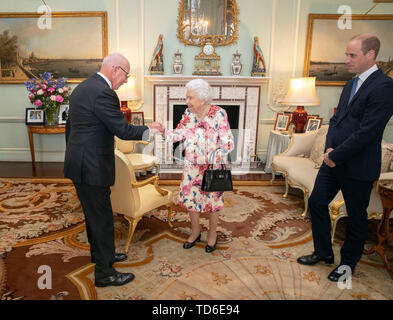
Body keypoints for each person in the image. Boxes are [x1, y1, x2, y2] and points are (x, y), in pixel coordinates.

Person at [297, 33, 393, 282]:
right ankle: (323, 252)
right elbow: (337, 120)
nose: (347, 60)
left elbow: (368, 131)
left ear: (370, 55)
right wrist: (329, 150)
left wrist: (336, 155)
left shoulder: (385, 87)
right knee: (317, 202)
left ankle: (348, 264)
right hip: (334, 161)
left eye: (352, 55)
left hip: (358, 166)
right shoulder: (351, 84)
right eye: (347, 54)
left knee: (356, 218)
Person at [64, 53, 163, 288]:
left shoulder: (83, 88)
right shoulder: (104, 92)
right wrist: (150, 128)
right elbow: (122, 130)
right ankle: (105, 273)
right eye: (125, 76)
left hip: (79, 163)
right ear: (116, 69)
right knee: (102, 219)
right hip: (92, 167)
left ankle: (100, 257)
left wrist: (75, 156)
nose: (124, 81)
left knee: (93, 215)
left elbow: (70, 129)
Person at [164, 79, 234, 253]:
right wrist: (163, 132)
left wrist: (213, 156)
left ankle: (212, 234)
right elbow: (178, 133)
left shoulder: (219, 114)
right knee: (191, 200)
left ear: (202, 98)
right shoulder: (188, 114)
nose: (187, 101)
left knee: (212, 202)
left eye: (190, 97)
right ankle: (195, 231)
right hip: (192, 168)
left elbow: (228, 143)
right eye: (186, 97)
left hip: (212, 167)